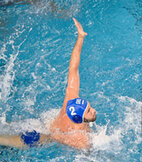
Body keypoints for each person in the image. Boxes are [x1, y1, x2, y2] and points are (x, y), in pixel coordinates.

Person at [0, 18, 96, 150]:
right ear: (79, 118)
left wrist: (80, 37)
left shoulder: (70, 100)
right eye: (89, 111)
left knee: (7, 127)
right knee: (15, 140)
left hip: (46, 122)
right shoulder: (80, 139)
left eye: (89, 107)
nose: (93, 110)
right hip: (50, 135)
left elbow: (73, 69)